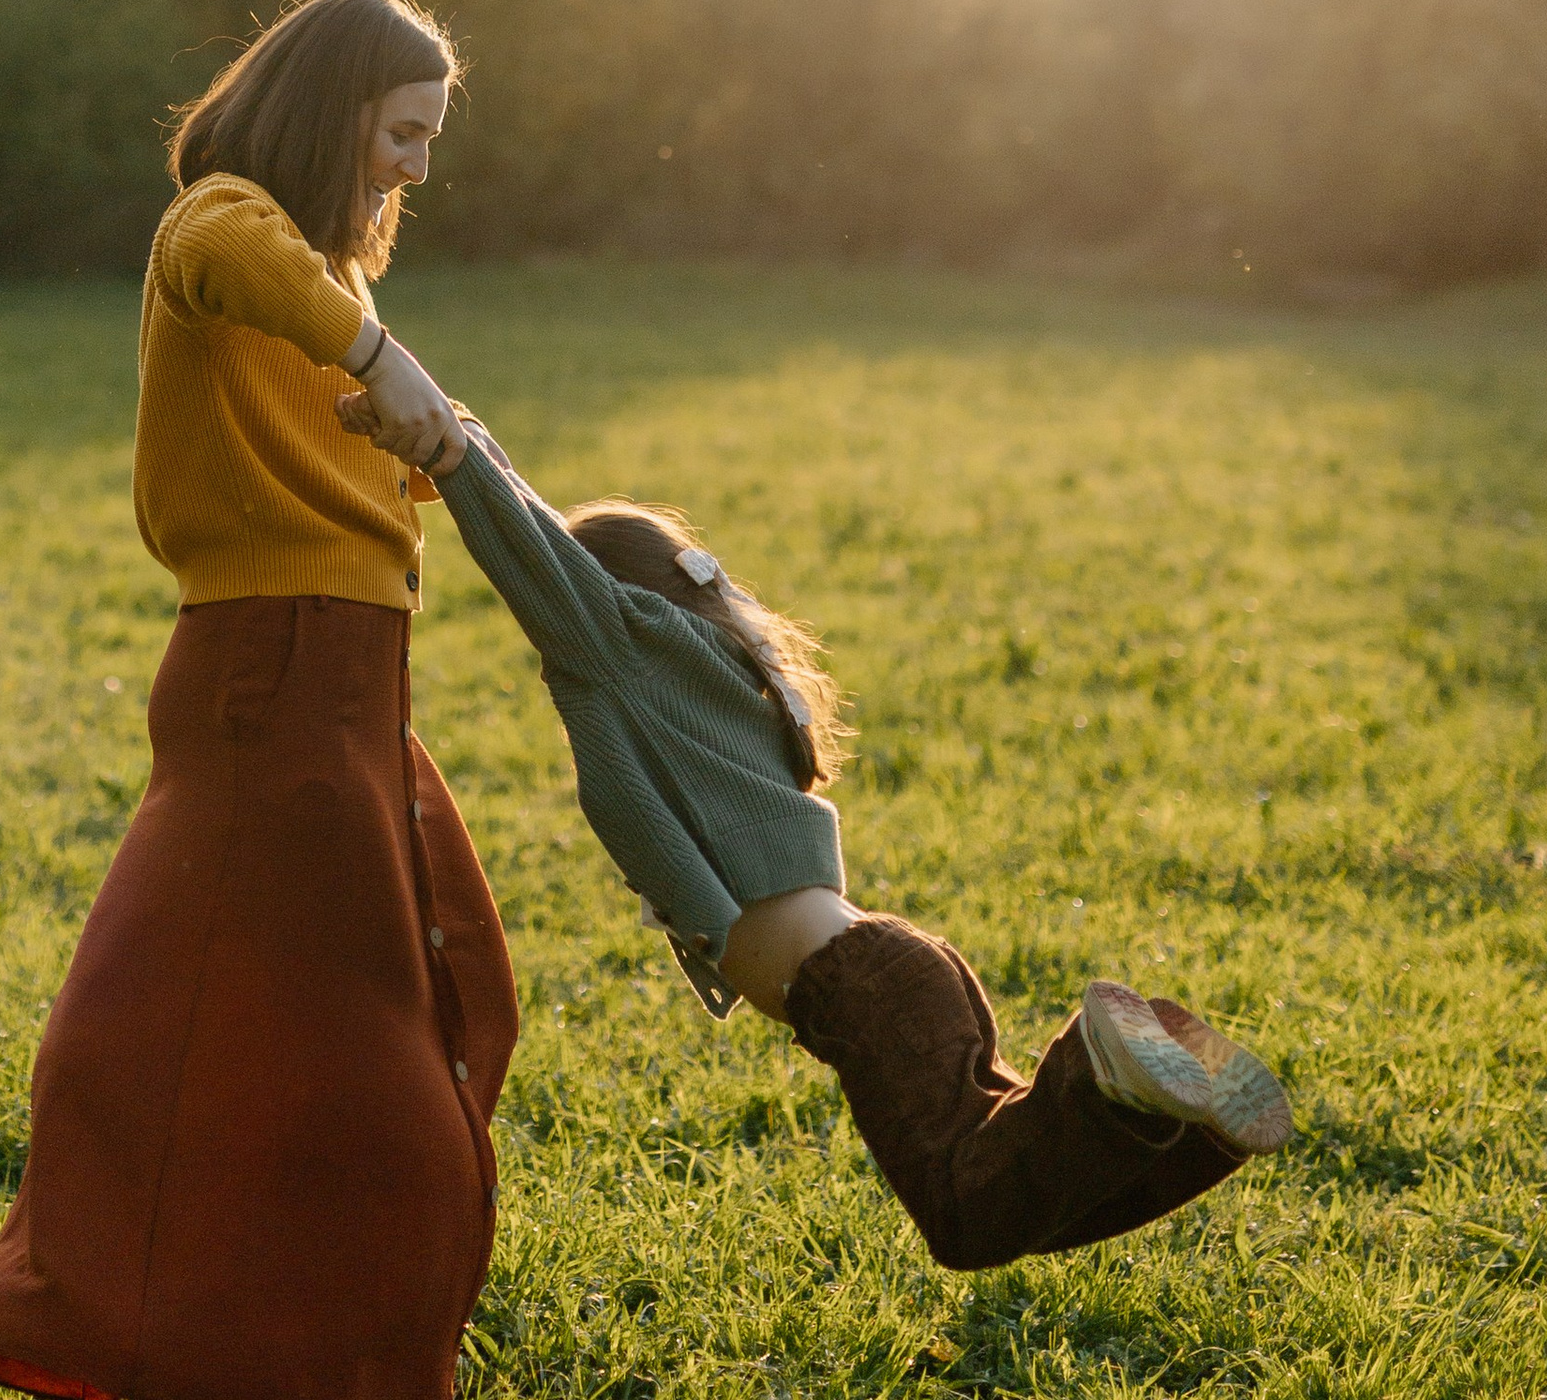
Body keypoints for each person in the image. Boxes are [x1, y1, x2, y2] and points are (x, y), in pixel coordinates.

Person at [337, 381, 1292, 1271]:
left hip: (860, 989)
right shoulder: (706, 672)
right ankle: (1184, 1119)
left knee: (964, 1219)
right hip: (889, 969)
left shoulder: (621, 659)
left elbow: (527, 551)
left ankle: (1104, 1064)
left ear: (607, 602)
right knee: (1007, 1186)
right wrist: (453, 429)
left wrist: (454, 452)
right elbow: (540, 534)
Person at [0, 0, 518, 1400]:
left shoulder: (313, 277)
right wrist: (385, 362)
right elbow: (220, 249)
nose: (414, 168)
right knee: (366, 1059)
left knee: (441, 1004)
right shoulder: (224, 227)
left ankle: (240, 1354)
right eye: (400, 133)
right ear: (329, 106)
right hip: (272, 679)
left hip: (332, 678)